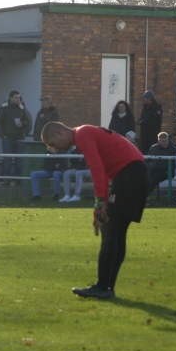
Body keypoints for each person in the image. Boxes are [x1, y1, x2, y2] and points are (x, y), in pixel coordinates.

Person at [41, 122, 148, 299]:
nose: (55, 149)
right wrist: (102, 202)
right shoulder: (87, 133)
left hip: (130, 174)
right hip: (136, 173)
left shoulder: (82, 134)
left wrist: (99, 202)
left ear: (59, 133)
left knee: (110, 230)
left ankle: (102, 286)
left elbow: (96, 167)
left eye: (52, 144)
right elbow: (104, 170)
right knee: (117, 232)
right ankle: (107, 288)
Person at [0, 90, 32, 185]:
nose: (18, 99)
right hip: (7, 137)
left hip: (19, 137)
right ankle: (6, 180)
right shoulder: (4, 107)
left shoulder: (22, 107)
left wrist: (23, 125)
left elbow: (28, 120)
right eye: (16, 98)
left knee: (19, 160)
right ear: (10, 98)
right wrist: (2, 135)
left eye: (19, 97)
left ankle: (18, 180)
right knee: (7, 159)